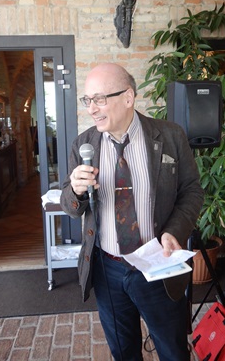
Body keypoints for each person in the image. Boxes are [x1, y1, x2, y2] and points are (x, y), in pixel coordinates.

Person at [60, 63, 204, 360]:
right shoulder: (83, 145)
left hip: (157, 264)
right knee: (123, 352)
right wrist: (75, 191)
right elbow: (70, 208)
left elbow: (192, 191)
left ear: (128, 97)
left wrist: (174, 232)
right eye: (88, 100)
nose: (92, 109)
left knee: (173, 351)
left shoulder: (171, 136)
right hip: (108, 270)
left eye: (100, 99)